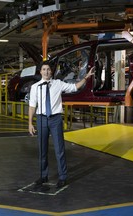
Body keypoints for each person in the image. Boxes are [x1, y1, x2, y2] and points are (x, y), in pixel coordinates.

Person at [28, 61, 94, 189]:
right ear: (40, 72)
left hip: (55, 119)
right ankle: (43, 176)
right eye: (44, 69)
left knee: (60, 150)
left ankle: (62, 177)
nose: (46, 71)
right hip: (41, 119)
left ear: (51, 72)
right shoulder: (35, 87)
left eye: (48, 69)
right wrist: (30, 123)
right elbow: (32, 106)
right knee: (42, 150)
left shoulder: (58, 84)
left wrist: (86, 77)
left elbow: (75, 87)